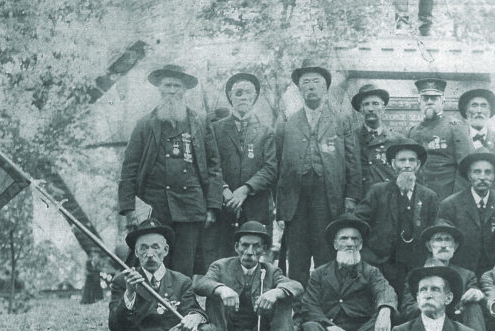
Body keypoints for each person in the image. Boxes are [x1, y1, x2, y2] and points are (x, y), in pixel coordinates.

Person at [118, 64, 223, 277]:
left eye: (177, 85)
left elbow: (214, 166)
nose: (172, 90)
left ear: (184, 90)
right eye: (167, 85)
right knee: (154, 262)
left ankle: (181, 309)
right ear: (159, 88)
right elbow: (129, 168)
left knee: (184, 267)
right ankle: (154, 309)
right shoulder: (145, 124)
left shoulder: (200, 122)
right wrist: (129, 210)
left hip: (191, 205)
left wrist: (212, 205)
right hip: (156, 205)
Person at [275, 60, 362, 285]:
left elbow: (353, 160)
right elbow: (279, 165)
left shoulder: (341, 120)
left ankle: (325, 304)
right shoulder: (288, 123)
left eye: (316, 82)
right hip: (296, 199)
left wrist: (351, 197)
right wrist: (280, 206)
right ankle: (297, 306)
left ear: (325, 88)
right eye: (306, 82)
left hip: (328, 196)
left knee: (326, 251)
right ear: (299, 89)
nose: (311, 86)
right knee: (297, 256)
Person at [192, 221, 303, 331]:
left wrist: (275, 292)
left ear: (264, 250)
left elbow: (296, 286)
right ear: (236, 247)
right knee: (214, 297)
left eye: (256, 247)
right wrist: (221, 289)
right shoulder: (220, 266)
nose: (250, 252)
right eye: (245, 245)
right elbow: (201, 284)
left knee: (283, 297)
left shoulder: (272, 271)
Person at [299, 216, 398, 331]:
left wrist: (385, 311)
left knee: (385, 315)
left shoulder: (371, 272)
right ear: (335, 244)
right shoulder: (320, 273)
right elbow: (309, 306)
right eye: (344, 238)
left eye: (355, 239)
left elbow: (385, 290)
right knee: (310, 325)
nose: (350, 243)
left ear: (360, 245)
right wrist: (331, 328)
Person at [206, 73, 278, 261]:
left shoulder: (266, 131)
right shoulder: (216, 129)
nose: (243, 97)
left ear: (255, 97)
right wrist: (224, 190)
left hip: (256, 207)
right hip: (224, 206)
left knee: (254, 259)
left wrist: (245, 190)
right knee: (224, 259)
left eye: (248, 92)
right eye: (238, 93)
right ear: (230, 96)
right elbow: (209, 164)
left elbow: (270, 168)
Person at [353, 142, 441, 290]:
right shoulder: (378, 191)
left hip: (415, 264)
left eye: (411, 160)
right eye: (402, 160)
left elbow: (435, 228)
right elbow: (358, 221)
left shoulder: (429, 196)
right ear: (394, 164)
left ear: (418, 165)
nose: (407, 165)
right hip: (382, 263)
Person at [398, 223, 489, 331]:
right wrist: (432, 304)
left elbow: (478, 302)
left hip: (457, 325)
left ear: (455, 246)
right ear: (429, 246)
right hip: (430, 323)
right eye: (438, 240)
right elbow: (408, 308)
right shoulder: (417, 275)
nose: (443, 244)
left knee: (474, 305)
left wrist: (477, 294)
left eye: (448, 240)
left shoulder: (466, 275)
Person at [434, 151, 495, 276]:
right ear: (469, 175)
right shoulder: (450, 205)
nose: (482, 177)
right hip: (461, 272)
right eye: (477, 172)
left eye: (488, 172)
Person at [407, 77, 472, 202]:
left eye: (434, 98)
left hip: (446, 197)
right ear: (419, 102)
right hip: (419, 196)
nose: (430, 102)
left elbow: (465, 166)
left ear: (443, 102)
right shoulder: (413, 131)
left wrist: (456, 199)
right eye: (425, 99)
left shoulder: (455, 127)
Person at [352, 83, 403, 190]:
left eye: (375, 103)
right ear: (360, 109)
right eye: (366, 104)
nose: (371, 108)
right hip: (362, 199)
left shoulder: (397, 140)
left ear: (383, 108)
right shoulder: (351, 138)